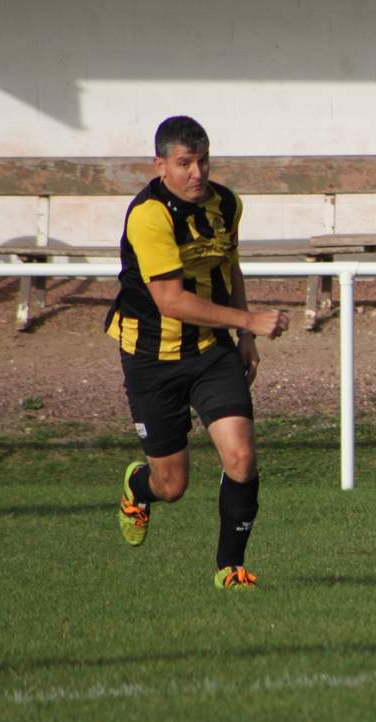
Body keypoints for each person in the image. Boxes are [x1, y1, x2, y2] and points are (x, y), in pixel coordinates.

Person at [106, 115, 289, 590]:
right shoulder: (149, 215)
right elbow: (170, 300)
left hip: (211, 350)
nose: (196, 172)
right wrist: (250, 322)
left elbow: (229, 266)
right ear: (160, 165)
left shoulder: (226, 204)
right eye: (184, 163)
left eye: (202, 161)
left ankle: (230, 569)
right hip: (151, 355)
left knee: (242, 457)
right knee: (173, 486)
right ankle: (137, 488)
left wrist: (244, 338)